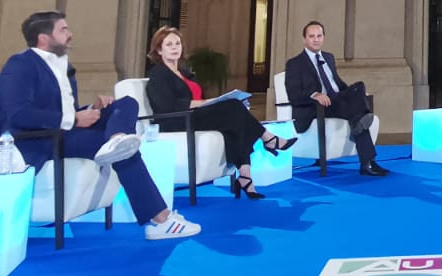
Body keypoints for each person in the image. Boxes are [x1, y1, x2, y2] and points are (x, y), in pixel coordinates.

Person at [0, 10, 197, 240]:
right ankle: (160, 219)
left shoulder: (64, 68)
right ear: (44, 37)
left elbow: (63, 110)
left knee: (126, 104)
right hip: (39, 139)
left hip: (65, 131)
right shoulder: (20, 65)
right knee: (123, 152)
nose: (70, 34)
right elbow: (18, 114)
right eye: (63, 29)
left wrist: (92, 109)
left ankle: (116, 137)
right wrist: (74, 119)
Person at [144, 26, 295, 200]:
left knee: (235, 117)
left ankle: (246, 176)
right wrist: (205, 103)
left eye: (177, 43)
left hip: (196, 116)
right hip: (177, 120)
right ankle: (267, 139)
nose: (174, 47)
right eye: (168, 44)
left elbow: (199, 97)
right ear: (159, 49)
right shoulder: (158, 75)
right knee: (233, 108)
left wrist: (209, 103)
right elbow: (167, 105)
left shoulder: (185, 73)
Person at [282, 20, 389, 176]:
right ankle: (368, 163)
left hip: (336, 101)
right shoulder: (295, 63)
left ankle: (362, 120)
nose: (316, 39)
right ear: (304, 39)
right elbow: (293, 95)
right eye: (311, 36)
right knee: (357, 113)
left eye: (319, 36)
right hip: (316, 108)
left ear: (323, 37)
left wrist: (355, 95)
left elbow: (337, 83)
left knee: (359, 87)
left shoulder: (329, 57)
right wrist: (315, 95)